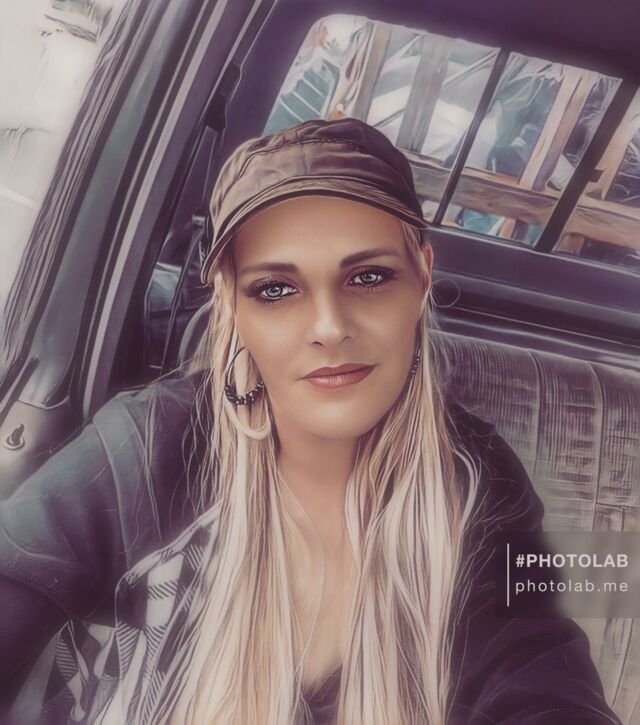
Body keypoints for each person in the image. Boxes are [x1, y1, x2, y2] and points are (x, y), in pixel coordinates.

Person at [0, 119, 621, 725]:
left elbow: (537, 660)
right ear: (231, 302)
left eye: (369, 277)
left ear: (422, 277)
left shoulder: (479, 478)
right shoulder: (150, 444)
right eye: (275, 289)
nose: (329, 327)